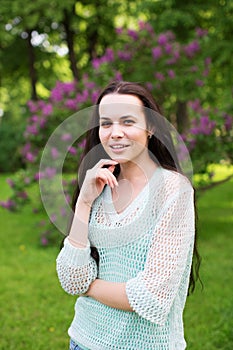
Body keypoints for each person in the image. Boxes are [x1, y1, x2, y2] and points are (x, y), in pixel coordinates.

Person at [56, 81, 201, 350]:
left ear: (151, 127)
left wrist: (87, 286)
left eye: (127, 122)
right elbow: (69, 275)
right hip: (83, 341)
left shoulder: (173, 190)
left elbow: (151, 297)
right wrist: (84, 202)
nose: (115, 133)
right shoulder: (98, 186)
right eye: (106, 123)